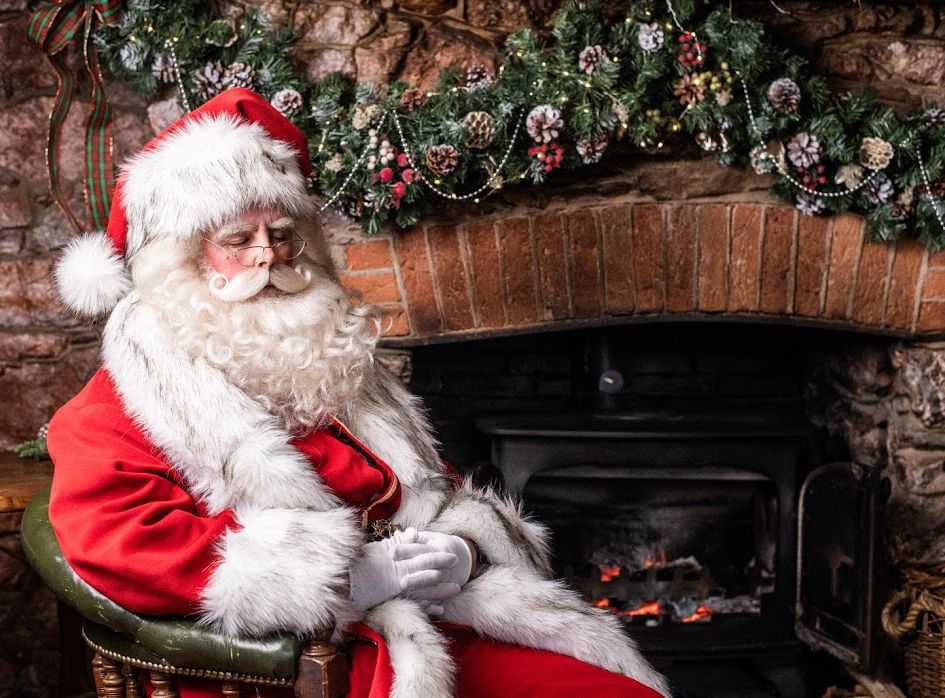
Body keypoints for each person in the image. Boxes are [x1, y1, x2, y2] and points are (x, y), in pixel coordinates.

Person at [47, 88, 671, 698]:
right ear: (183, 261)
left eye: (282, 232)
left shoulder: (329, 362)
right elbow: (123, 545)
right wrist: (342, 580)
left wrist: (464, 550)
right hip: (285, 668)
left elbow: (431, 486)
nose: (269, 254)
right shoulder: (119, 406)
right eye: (239, 240)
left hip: (437, 621)